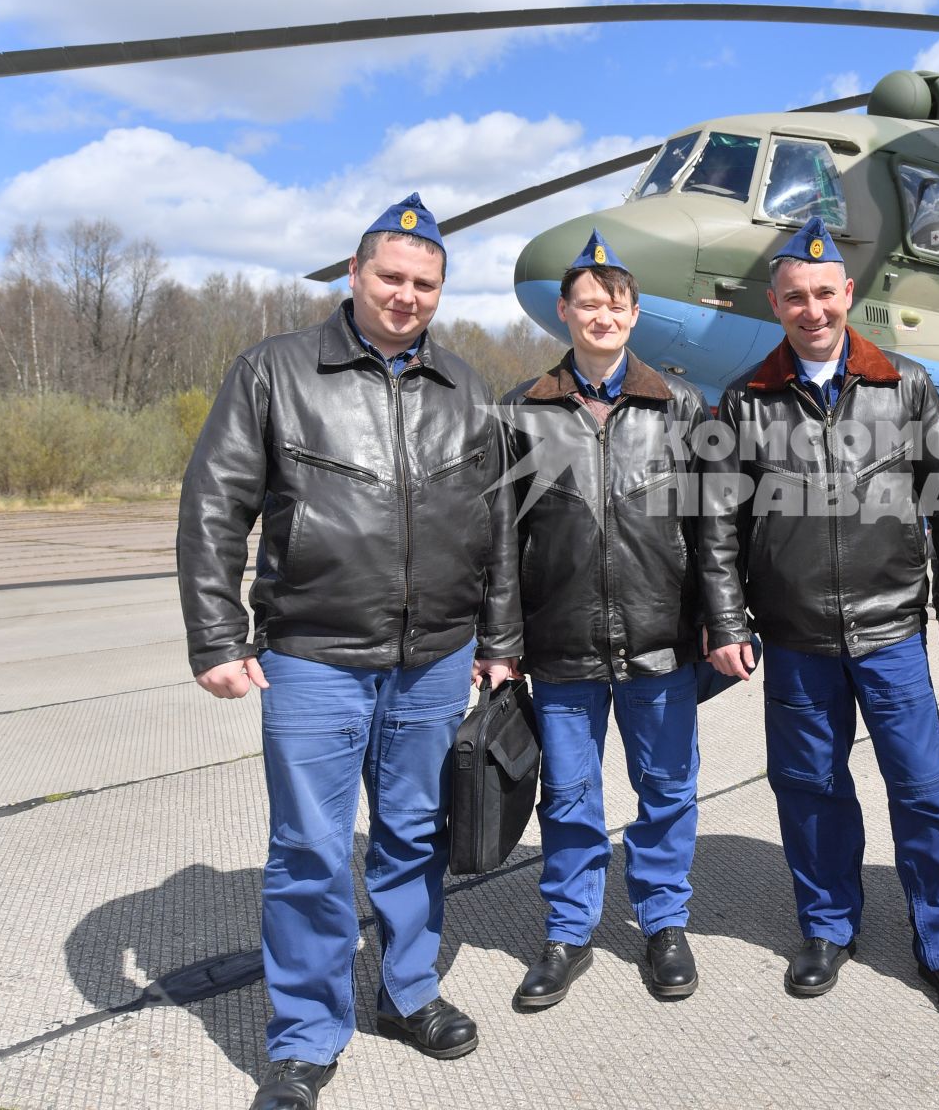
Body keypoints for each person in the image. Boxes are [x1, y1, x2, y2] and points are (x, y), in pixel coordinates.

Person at [177, 194, 521, 1110]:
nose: (406, 296)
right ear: (355, 274)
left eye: (425, 283)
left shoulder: (467, 390)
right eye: (391, 277)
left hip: (437, 657)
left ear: (440, 290)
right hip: (315, 656)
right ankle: (305, 1036)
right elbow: (215, 507)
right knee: (310, 850)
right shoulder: (276, 372)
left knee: (415, 835)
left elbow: (497, 527)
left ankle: (409, 993)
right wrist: (215, 634)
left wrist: (499, 639)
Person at [700, 216, 939, 1020]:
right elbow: (717, 522)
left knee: (925, 790)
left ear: (848, 295)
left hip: (891, 630)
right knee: (810, 789)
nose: (812, 309)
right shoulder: (748, 400)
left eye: (825, 294)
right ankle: (827, 929)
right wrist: (727, 622)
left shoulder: (906, 387)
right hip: (794, 639)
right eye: (796, 297)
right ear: (776, 302)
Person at [500, 231, 710, 1012]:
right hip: (560, 644)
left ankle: (662, 924)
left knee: (665, 789)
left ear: (634, 311)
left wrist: (722, 625)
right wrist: (501, 642)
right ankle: (568, 931)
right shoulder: (524, 411)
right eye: (587, 303)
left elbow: (711, 528)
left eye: (615, 302)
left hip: (660, 638)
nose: (602, 315)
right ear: (564, 313)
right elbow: (501, 536)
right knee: (569, 795)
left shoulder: (680, 406)